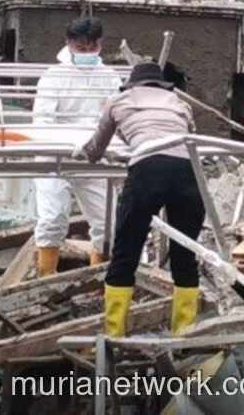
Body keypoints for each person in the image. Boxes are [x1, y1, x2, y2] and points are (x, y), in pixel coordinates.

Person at [77, 62, 201, 337]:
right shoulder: (178, 102)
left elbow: (96, 148)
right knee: (185, 254)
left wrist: (82, 153)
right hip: (187, 173)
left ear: (131, 85)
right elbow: (185, 135)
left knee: (126, 252)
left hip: (147, 169)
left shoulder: (117, 101)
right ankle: (184, 334)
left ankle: (114, 334)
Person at [32, 17, 122, 276]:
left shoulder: (109, 77)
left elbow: (114, 116)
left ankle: (98, 282)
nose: (86, 53)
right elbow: (42, 120)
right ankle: (44, 280)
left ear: (100, 45)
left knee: (109, 223)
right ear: (69, 44)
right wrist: (68, 141)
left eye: (91, 48)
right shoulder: (53, 76)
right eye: (81, 49)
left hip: (95, 153)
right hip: (55, 153)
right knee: (52, 218)